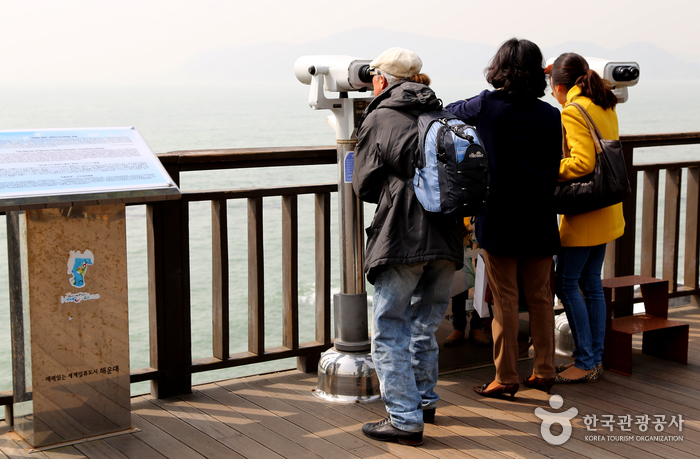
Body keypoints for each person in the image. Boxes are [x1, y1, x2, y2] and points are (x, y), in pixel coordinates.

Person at [353, 47, 463, 446]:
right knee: (425, 324)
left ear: (381, 80)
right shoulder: (443, 112)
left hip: (403, 236)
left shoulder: (380, 116)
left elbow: (364, 184)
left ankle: (403, 418)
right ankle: (424, 402)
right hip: (448, 234)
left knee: (388, 327)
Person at [445, 38, 562, 399]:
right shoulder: (550, 114)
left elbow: (450, 111)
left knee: (505, 300)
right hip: (541, 216)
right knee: (542, 298)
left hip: (500, 216)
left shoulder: (488, 105)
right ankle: (544, 370)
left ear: (500, 69)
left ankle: (506, 376)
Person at [548, 53, 625, 384]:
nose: (552, 94)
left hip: (585, 212)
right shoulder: (604, 102)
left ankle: (585, 360)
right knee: (591, 284)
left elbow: (581, 164)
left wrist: (547, 169)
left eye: (552, 88)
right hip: (607, 209)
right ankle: (594, 359)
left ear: (561, 86)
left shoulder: (573, 110)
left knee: (566, 283)